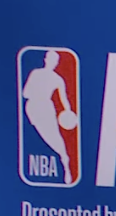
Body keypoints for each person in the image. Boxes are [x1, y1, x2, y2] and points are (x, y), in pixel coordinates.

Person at [22, 49, 76, 184]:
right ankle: (63, 159)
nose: (53, 63)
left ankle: (65, 162)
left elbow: (64, 99)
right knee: (42, 136)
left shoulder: (58, 79)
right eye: (51, 59)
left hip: (46, 108)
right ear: (45, 59)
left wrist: (68, 112)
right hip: (33, 108)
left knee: (54, 136)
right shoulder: (35, 73)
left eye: (55, 61)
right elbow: (25, 93)